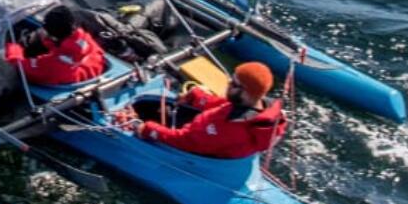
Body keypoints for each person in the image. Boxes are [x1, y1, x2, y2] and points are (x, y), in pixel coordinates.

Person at [120, 61, 286, 158]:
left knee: (141, 114)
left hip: (197, 144)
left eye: (234, 84)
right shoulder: (258, 108)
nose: (228, 85)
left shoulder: (227, 128)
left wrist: (146, 129)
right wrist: (199, 97)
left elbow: (184, 141)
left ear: (247, 92)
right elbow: (225, 106)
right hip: (212, 140)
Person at [4, 4, 106, 86]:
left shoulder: (52, 66)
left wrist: (12, 44)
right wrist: (48, 42)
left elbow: (17, 65)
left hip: (64, 81)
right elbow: (62, 48)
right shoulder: (85, 39)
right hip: (89, 72)